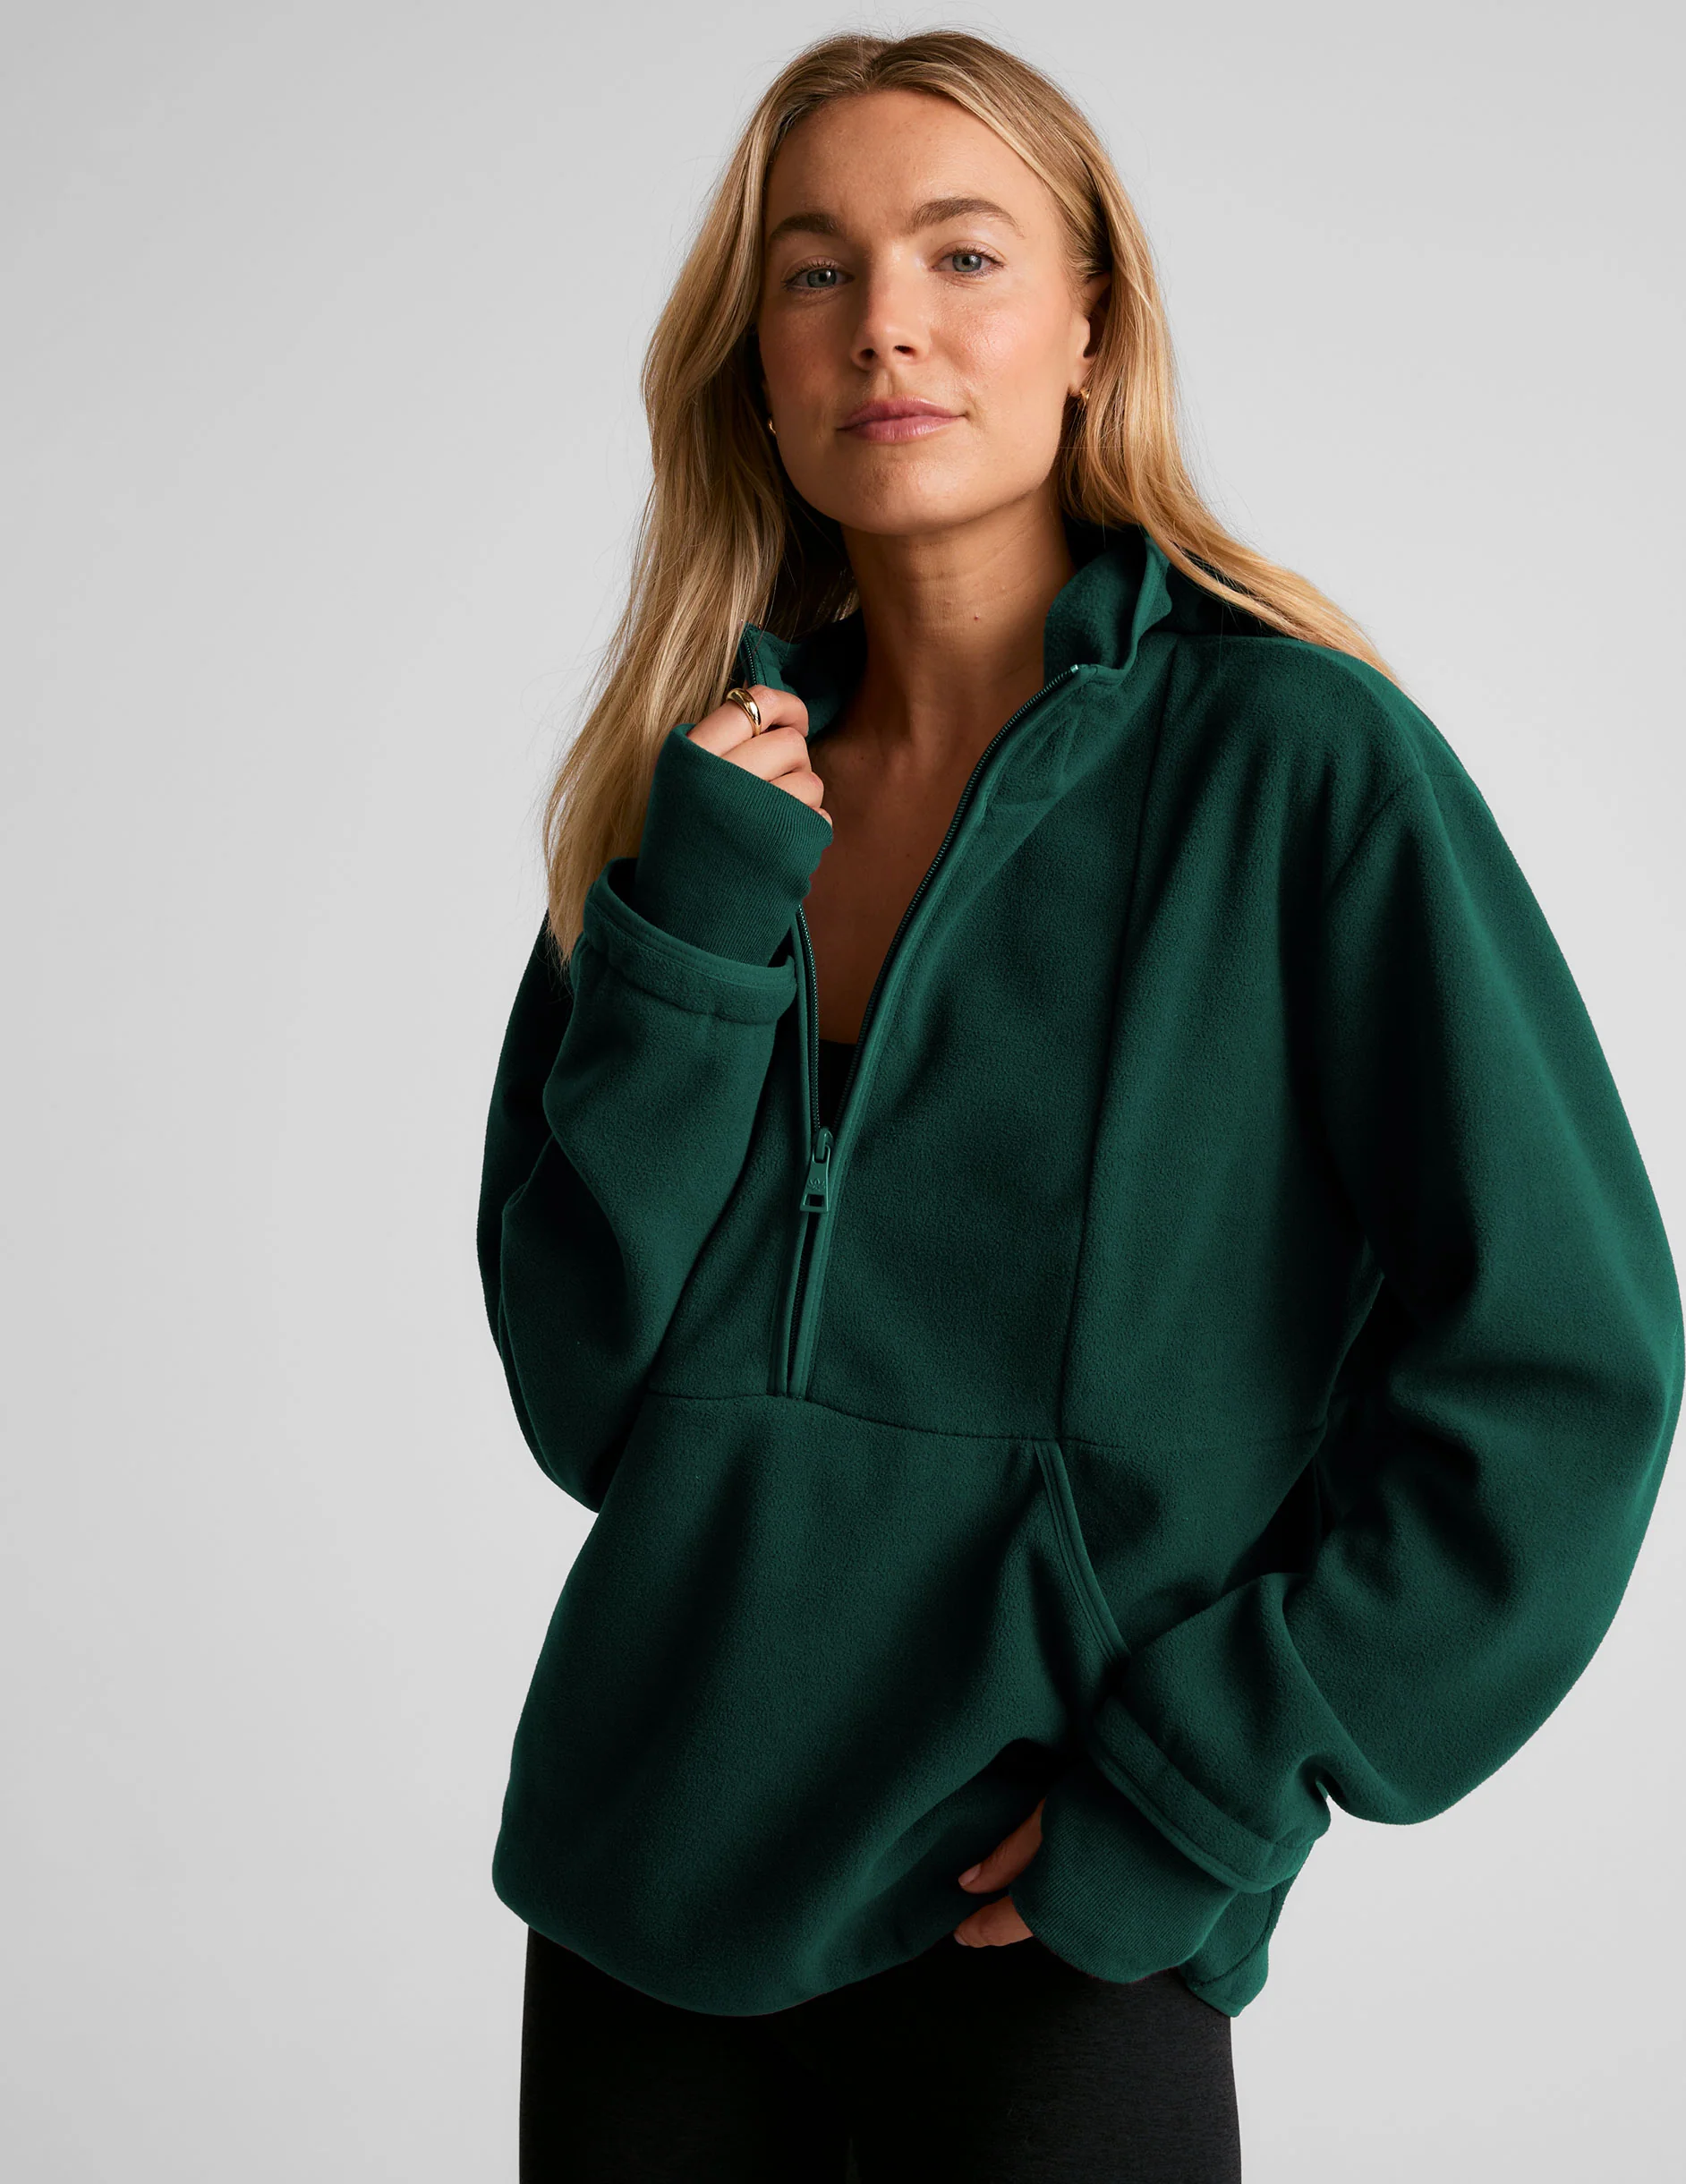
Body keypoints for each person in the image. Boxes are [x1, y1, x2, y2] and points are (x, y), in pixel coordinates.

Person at [475, 29, 1683, 2182]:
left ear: (1091, 326)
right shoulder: (700, 807)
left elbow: (1570, 1357)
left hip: (1051, 1906)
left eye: (964, 254)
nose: (889, 324)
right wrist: (698, 936)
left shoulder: (1300, 768)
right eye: (816, 270)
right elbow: (588, 1398)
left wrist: (1220, 1781)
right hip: (643, 1898)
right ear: (757, 362)